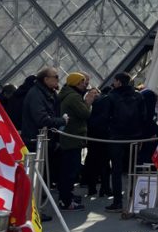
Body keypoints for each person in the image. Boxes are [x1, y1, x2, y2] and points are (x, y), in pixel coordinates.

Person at [105, 73, 146, 212]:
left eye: (114, 80)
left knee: (116, 170)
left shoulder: (111, 97)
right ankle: (134, 198)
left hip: (116, 137)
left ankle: (117, 202)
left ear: (118, 82)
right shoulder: (138, 96)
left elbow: (106, 117)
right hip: (135, 137)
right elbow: (143, 117)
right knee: (134, 169)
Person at [57, 72, 96, 211]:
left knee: (67, 169)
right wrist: (88, 103)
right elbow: (85, 114)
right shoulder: (73, 97)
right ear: (75, 83)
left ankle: (66, 197)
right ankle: (67, 201)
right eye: (81, 82)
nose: (84, 84)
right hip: (73, 138)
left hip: (68, 137)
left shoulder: (66, 94)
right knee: (70, 171)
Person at [21, 68, 68, 150]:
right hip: (37, 143)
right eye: (56, 76)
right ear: (46, 79)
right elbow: (42, 119)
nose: (58, 79)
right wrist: (63, 121)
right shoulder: (36, 94)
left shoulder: (48, 93)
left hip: (45, 141)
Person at [84, 86, 112, 198]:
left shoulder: (96, 104)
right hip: (100, 136)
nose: (95, 95)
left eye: (96, 93)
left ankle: (94, 188)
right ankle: (103, 188)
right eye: (92, 93)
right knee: (102, 163)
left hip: (94, 136)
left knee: (94, 162)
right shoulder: (104, 103)